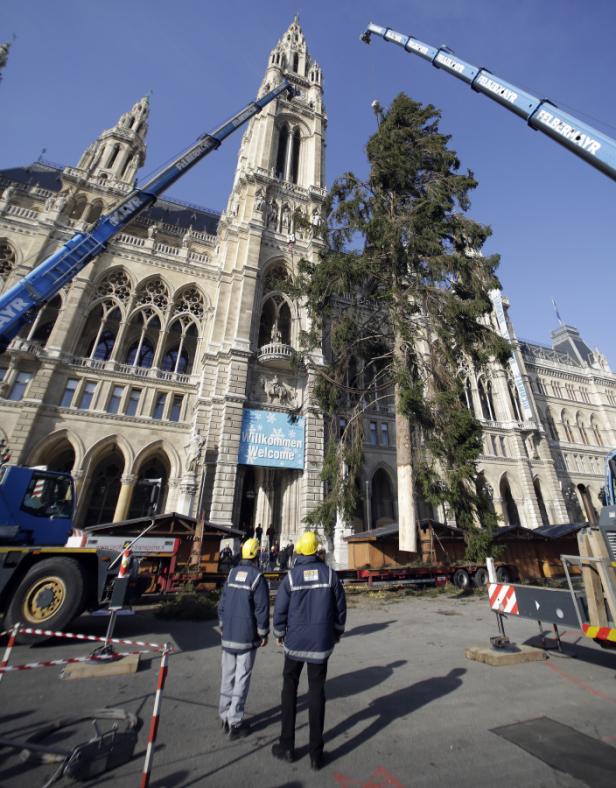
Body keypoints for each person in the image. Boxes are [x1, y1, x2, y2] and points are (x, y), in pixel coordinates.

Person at [271, 531, 347, 770]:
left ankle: (287, 746)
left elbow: (280, 610)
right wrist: (336, 632)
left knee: (289, 689)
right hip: (320, 645)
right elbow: (340, 608)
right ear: (317, 551)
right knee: (317, 693)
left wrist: (278, 633)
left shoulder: (291, 577)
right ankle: (316, 754)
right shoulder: (330, 575)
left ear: (299, 552)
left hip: (294, 644)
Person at [217, 537, 269, 739]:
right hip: (246, 637)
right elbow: (262, 610)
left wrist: (222, 625)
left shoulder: (231, 574)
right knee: (242, 678)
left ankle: (224, 715)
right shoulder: (257, 578)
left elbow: (221, 603)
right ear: (257, 555)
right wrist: (263, 633)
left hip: (228, 634)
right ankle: (235, 722)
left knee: (227, 677)